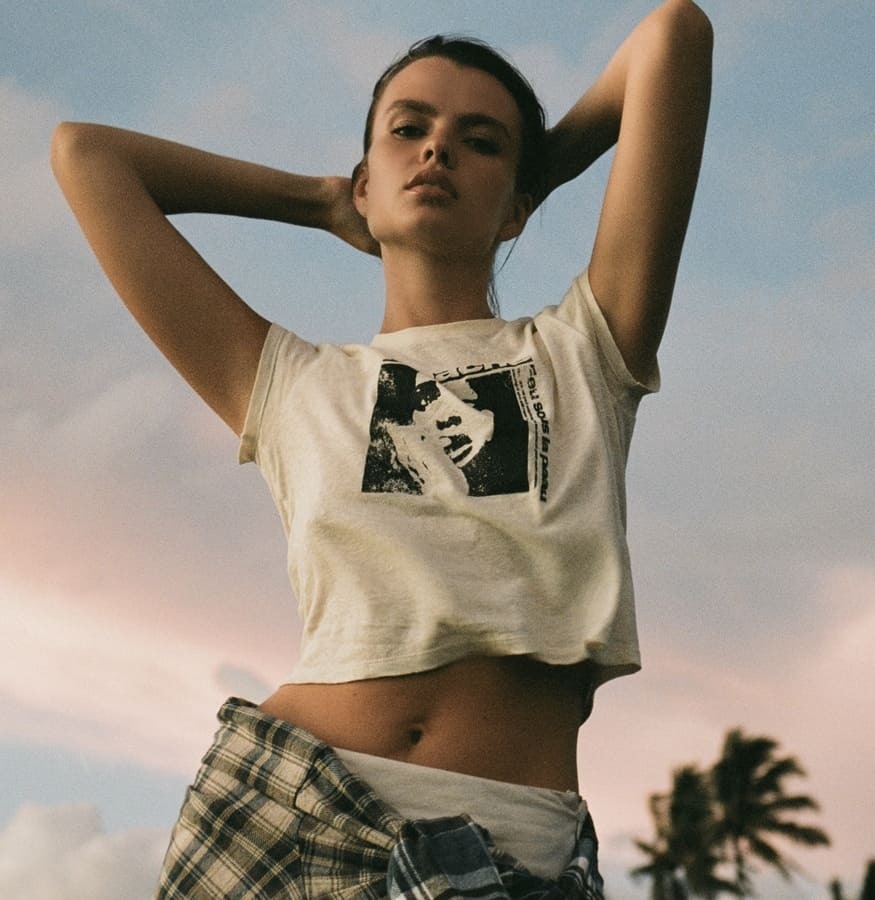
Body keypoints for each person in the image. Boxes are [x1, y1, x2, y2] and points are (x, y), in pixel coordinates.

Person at [51, 1, 711, 896]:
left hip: (506, 847)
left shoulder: (583, 353)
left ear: (520, 207)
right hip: (279, 818)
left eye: (478, 140)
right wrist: (323, 199)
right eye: (410, 130)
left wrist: (536, 172)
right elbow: (87, 156)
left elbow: (674, 34)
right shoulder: (289, 382)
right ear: (366, 179)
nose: (437, 150)